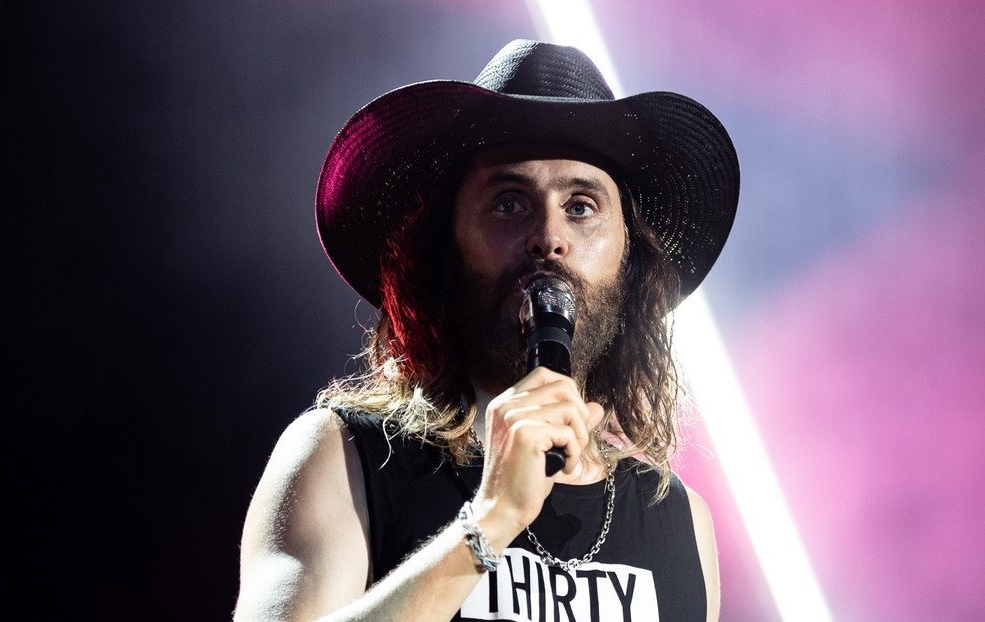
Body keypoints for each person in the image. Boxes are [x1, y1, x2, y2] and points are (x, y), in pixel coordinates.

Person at [234, 39, 739, 621]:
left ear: (630, 259)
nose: (548, 237)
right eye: (508, 203)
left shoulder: (678, 523)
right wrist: (488, 523)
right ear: (444, 249)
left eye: (581, 206)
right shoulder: (345, 459)